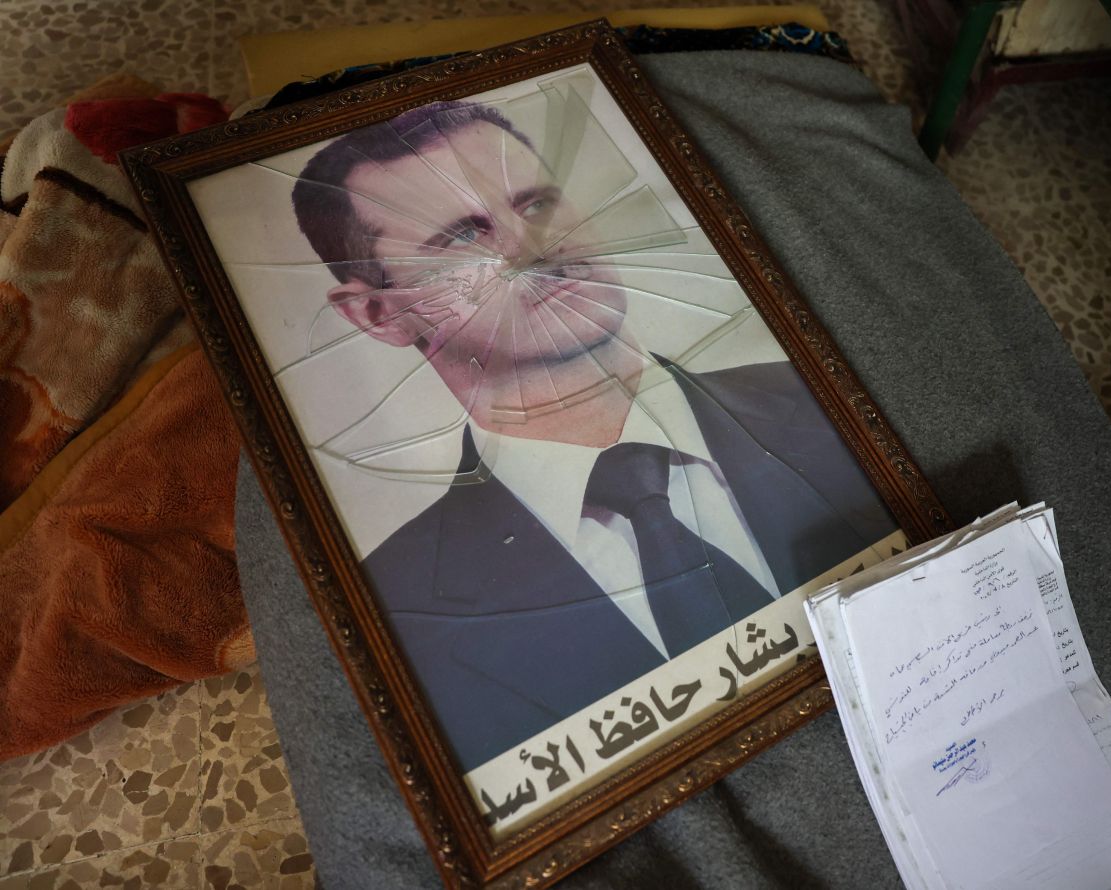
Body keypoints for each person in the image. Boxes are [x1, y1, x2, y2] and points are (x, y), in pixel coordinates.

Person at [291, 99, 900, 771]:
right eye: (462, 236)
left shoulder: (831, 391)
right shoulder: (393, 613)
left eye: (536, 204)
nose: (532, 248)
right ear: (379, 314)